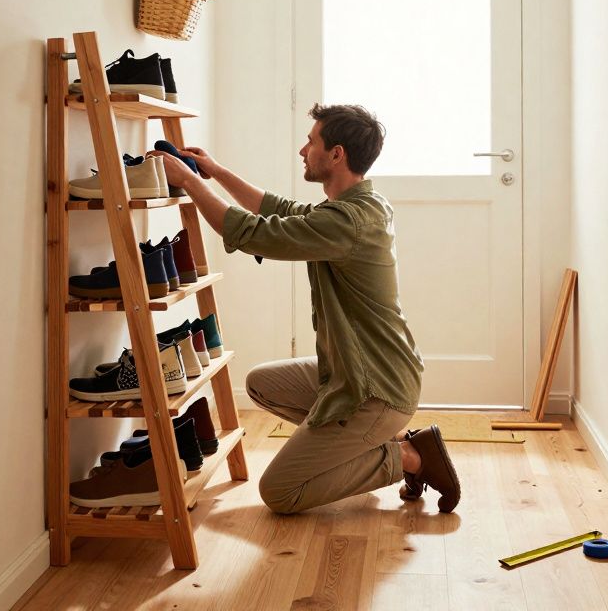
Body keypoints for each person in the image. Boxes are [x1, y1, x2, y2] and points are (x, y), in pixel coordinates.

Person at [152, 103, 461, 514]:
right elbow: (278, 209)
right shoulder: (358, 206)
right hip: (353, 372)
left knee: (280, 492)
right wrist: (216, 172)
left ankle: (409, 457)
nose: (302, 150)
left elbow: (250, 232)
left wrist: (189, 181)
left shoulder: (347, 222)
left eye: (311, 141)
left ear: (337, 154)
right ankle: (364, 446)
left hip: (377, 389)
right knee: (261, 383)